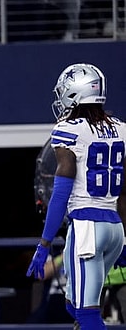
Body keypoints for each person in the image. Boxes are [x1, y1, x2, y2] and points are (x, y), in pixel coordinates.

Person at [26, 63, 126, 330]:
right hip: (113, 225)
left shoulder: (69, 130)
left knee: (87, 312)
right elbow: (124, 190)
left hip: (86, 227)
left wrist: (44, 244)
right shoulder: (121, 128)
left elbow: (60, 193)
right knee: (74, 302)